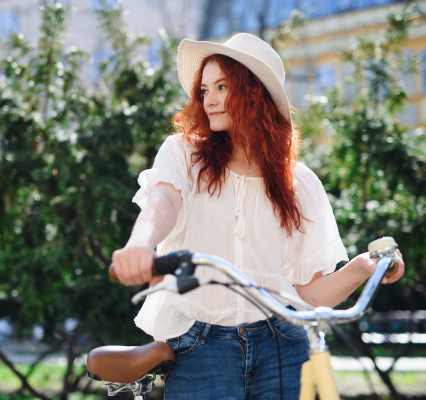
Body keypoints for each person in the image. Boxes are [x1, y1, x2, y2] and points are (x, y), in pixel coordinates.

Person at [112, 33, 404, 400]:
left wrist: (363, 266)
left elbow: (307, 297)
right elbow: (163, 203)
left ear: (254, 92)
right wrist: (140, 244)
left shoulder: (299, 183)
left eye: (222, 86)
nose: (210, 99)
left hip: (283, 344)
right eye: (205, 90)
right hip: (201, 348)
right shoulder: (184, 154)